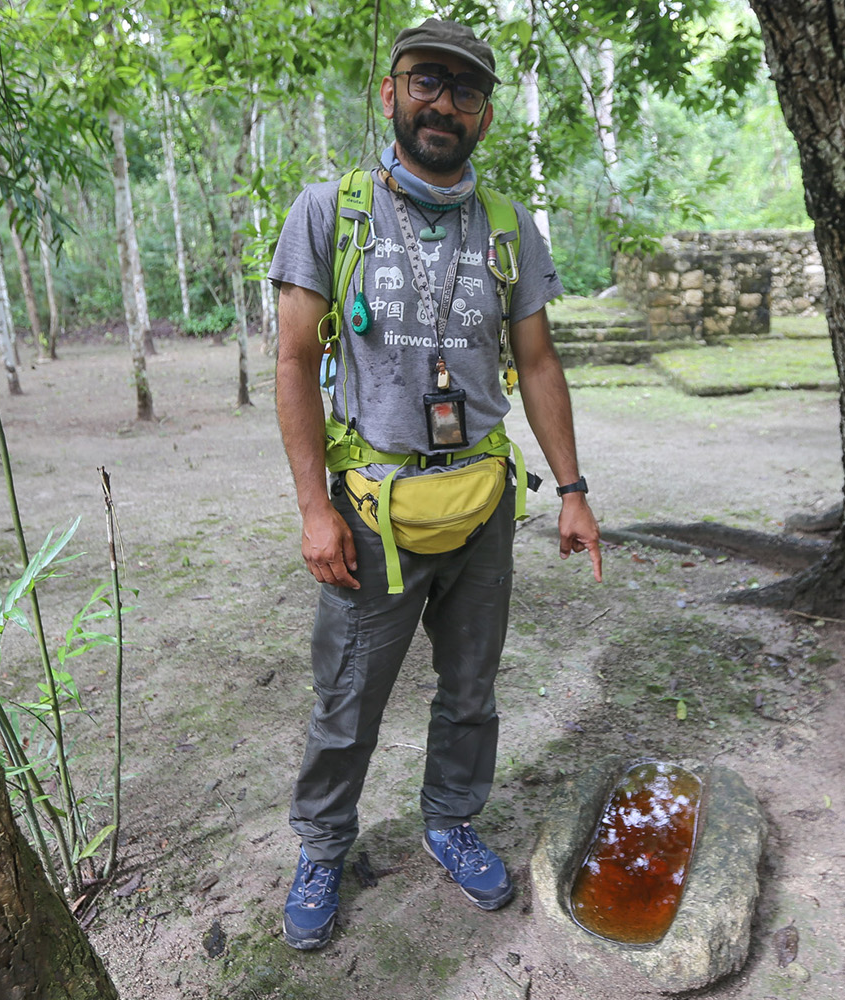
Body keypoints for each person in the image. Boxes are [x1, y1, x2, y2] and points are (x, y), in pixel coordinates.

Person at [267, 17, 604, 951]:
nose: (443, 104)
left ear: (486, 116)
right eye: (426, 82)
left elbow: (537, 363)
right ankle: (324, 847)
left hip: (485, 502)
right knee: (348, 698)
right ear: (390, 91)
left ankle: (452, 820)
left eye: (464, 90)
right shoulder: (329, 212)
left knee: (471, 688)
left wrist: (571, 488)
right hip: (371, 512)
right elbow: (294, 363)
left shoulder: (508, 229)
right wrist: (312, 510)